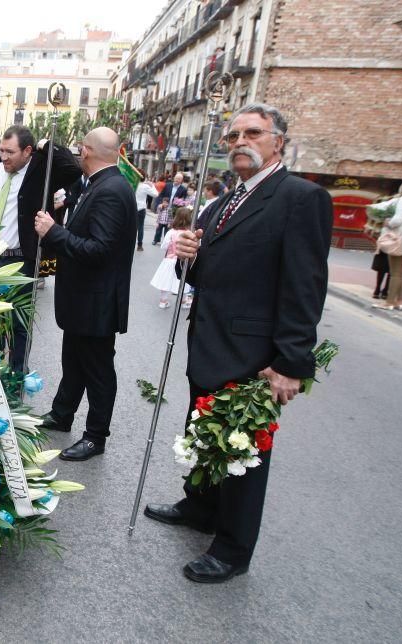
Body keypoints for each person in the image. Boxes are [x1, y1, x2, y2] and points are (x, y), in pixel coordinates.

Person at [144, 103, 333, 583]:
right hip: (209, 343)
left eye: (252, 133)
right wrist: (189, 256)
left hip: (254, 354)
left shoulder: (300, 198)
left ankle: (232, 548)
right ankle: (200, 506)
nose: (238, 142)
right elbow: (207, 272)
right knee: (203, 432)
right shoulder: (222, 202)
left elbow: (304, 286)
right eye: (232, 136)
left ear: (278, 142)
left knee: (243, 450)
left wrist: (292, 363)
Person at [33, 127, 136, 461]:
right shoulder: (101, 183)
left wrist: (55, 233)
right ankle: (63, 414)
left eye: (80, 150)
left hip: (97, 301)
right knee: (74, 361)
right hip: (83, 299)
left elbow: (99, 250)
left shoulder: (111, 189)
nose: (78, 154)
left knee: (98, 370)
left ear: (87, 151)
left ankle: (95, 436)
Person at [0, 125, 82, 372]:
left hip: (20, 259)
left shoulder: (42, 169)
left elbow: (73, 169)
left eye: (10, 152)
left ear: (28, 150)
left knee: (20, 321)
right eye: (2, 150)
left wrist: (48, 145)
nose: (4, 157)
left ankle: (18, 374)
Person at [375, 177, 402, 310]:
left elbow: (398, 220)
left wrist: (388, 222)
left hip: (400, 241)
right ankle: (400, 301)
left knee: (396, 273)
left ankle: (389, 302)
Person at [150, 207, 193, 308]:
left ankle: (163, 301)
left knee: (166, 280)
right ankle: (183, 301)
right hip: (183, 261)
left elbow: (164, 246)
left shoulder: (171, 232)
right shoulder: (189, 233)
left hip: (169, 260)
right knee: (183, 281)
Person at [153, 172, 187, 244]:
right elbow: (161, 195)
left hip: (173, 210)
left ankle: (167, 241)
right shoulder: (167, 185)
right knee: (160, 225)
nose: (176, 180)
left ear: (181, 180)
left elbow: (183, 200)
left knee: (168, 227)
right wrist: (160, 204)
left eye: (179, 179)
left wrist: (177, 208)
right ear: (174, 178)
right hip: (164, 208)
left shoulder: (183, 189)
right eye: (176, 178)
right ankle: (156, 240)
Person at [134, 171, 158, 251]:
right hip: (141, 209)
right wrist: (152, 186)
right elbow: (156, 194)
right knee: (140, 227)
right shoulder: (144, 186)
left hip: (132, 208)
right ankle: (139, 245)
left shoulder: (131, 184)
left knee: (130, 227)